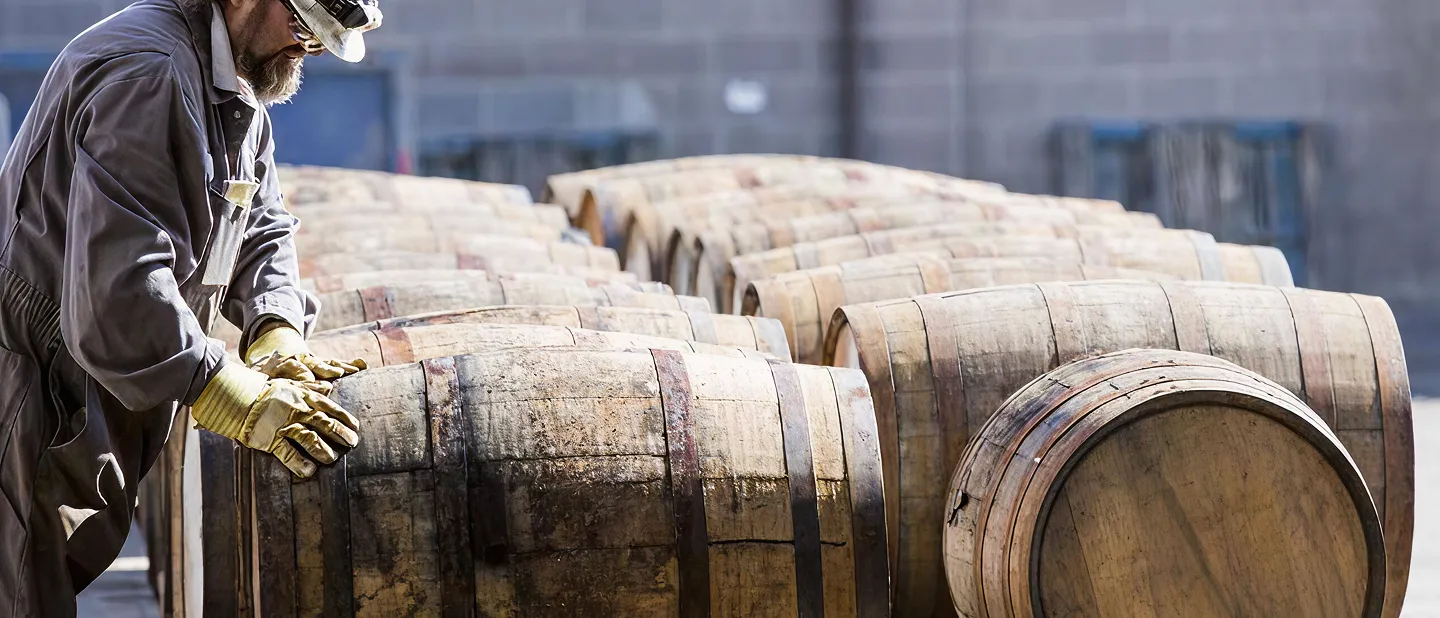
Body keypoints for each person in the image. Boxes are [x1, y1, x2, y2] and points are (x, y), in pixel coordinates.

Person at [0, 0, 382, 613]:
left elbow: (258, 222)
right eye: (306, 25)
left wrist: (274, 327)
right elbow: (118, 293)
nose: (309, 48)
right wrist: (232, 395)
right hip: (28, 395)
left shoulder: (228, 80)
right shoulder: (151, 74)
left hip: (74, 396)